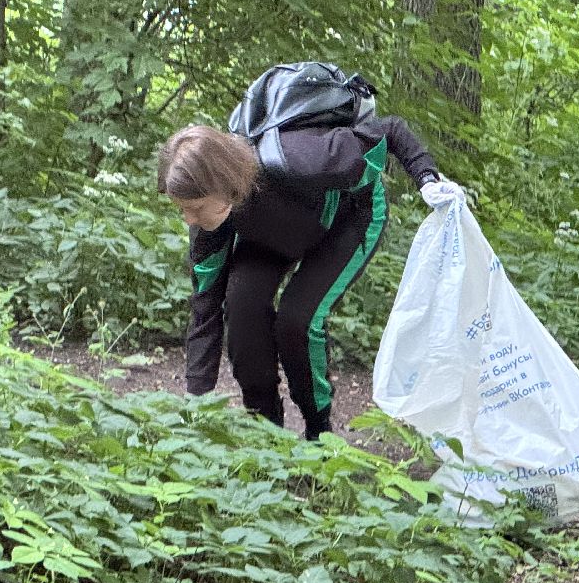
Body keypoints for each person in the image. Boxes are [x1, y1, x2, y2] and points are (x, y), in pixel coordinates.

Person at [157, 119, 453, 439]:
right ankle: (266, 429)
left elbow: (389, 131)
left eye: (195, 207)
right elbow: (205, 311)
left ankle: (318, 430)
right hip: (273, 236)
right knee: (242, 310)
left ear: (222, 184)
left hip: (348, 220)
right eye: (182, 209)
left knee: (297, 321)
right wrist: (194, 407)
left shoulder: (305, 158)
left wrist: (426, 177)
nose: (189, 219)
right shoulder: (208, 228)